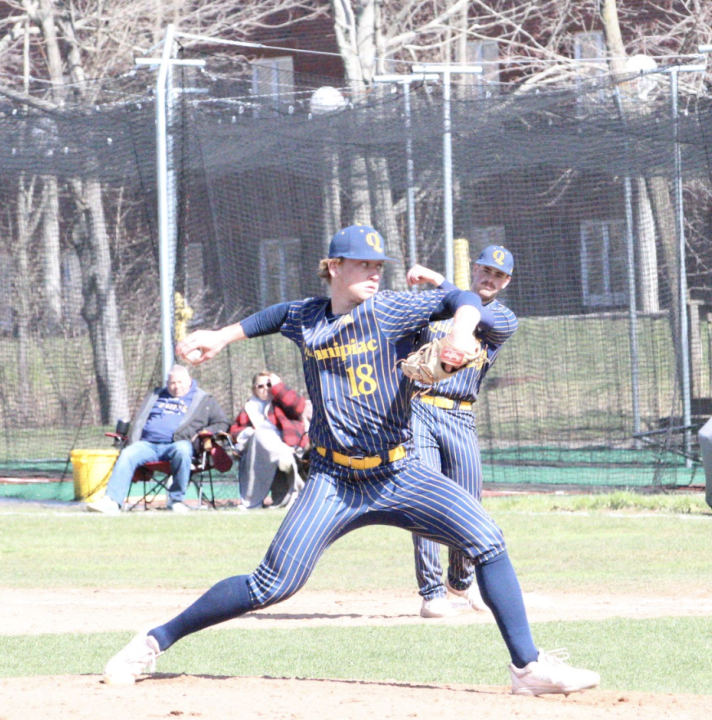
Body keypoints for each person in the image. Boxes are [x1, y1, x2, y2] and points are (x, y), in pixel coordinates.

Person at [103, 225, 599, 696]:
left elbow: (460, 299)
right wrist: (221, 336)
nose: (374, 272)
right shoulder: (308, 318)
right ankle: (153, 641)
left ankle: (527, 667)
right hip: (334, 481)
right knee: (271, 584)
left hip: (399, 473)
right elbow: (274, 316)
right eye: (362, 264)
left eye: (378, 265)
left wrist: (461, 330)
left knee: (487, 540)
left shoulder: (393, 311)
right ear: (333, 266)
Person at [405, 246, 516, 619]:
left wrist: (437, 278)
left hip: (460, 416)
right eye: (486, 270)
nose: (490, 278)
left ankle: (460, 579)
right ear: (476, 268)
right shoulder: (434, 309)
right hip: (420, 408)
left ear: (506, 282)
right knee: (423, 496)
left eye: (498, 275)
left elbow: (470, 312)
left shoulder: (502, 318)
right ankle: (432, 593)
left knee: (469, 506)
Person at [88, 363, 229, 514]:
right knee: (127, 453)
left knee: (182, 450)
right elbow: (140, 420)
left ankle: (175, 500)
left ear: (189, 381)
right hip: (147, 445)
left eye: (180, 382)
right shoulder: (155, 396)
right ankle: (112, 501)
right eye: (172, 383)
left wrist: (205, 431)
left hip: (178, 444)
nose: (176, 387)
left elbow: (223, 423)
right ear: (167, 384)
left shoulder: (204, 400)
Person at [229, 371, 310, 510]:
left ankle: (256, 502)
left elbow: (299, 406)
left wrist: (279, 387)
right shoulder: (250, 407)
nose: (265, 388)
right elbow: (236, 431)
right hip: (260, 450)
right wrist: (248, 433)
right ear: (254, 389)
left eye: (269, 384)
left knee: (265, 439)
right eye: (260, 386)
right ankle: (284, 459)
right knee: (259, 436)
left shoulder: (282, 402)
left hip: (287, 443)